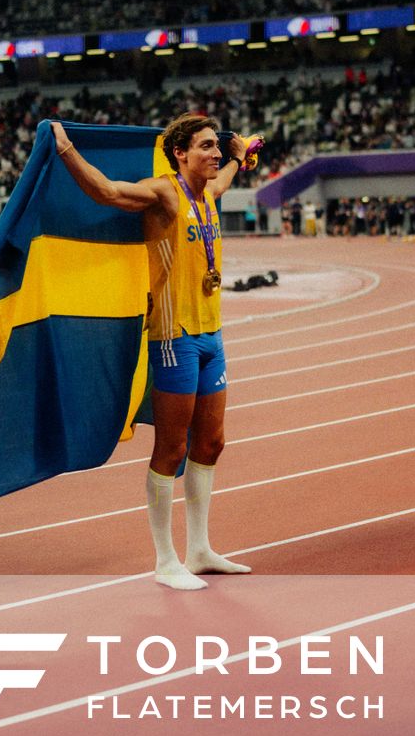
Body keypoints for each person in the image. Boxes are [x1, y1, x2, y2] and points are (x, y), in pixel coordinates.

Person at [51, 113, 260, 591]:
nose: (214, 154)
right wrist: (64, 148)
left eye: (215, 147)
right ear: (181, 154)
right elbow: (106, 192)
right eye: (205, 147)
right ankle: (166, 559)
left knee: (212, 444)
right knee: (172, 447)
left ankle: (200, 549)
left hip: (211, 335)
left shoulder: (209, 191)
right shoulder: (164, 192)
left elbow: (232, 168)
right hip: (173, 336)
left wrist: (240, 151)